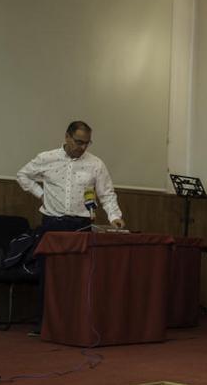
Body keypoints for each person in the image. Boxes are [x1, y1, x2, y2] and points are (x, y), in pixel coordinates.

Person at [16, 120, 126, 335]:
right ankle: (45, 325)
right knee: (49, 276)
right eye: (78, 142)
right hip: (53, 224)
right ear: (67, 137)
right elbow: (22, 175)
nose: (82, 147)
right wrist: (41, 194)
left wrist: (115, 217)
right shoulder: (47, 158)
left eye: (87, 143)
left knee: (80, 277)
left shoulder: (96, 164)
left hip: (81, 225)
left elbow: (106, 193)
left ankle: (77, 323)